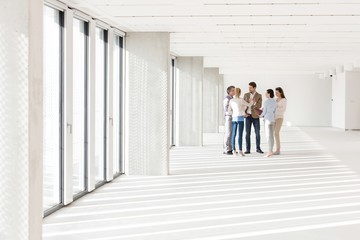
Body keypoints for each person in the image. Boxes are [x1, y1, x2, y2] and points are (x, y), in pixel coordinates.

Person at [228, 88, 254, 156]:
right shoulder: (241, 100)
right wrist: (251, 101)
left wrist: (234, 113)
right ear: (239, 93)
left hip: (234, 118)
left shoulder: (231, 100)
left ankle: (234, 150)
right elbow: (249, 105)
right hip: (240, 119)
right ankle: (240, 150)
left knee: (233, 135)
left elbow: (229, 111)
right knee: (240, 135)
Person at [244, 82, 264, 154]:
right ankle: (247, 149)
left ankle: (258, 148)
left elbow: (259, 105)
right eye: (249, 87)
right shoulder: (246, 95)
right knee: (247, 133)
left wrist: (254, 103)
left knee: (257, 133)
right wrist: (248, 103)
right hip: (248, 116)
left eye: (250, 87)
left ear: (254, 88)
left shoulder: (259, 95)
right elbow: (243, 105)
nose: (249, 88)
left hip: (255, 116)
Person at [260, 89, 277, 157]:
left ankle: (269, 152)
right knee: (272, 136)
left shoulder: (266, 102)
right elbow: (274, 111)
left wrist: (260, 115)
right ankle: (271, 151)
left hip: (267, 120)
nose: (265, 94)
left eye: (266, 93)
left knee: (268, 136)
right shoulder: (275, 102)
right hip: (272, 119)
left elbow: (264, 112)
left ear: (269, 94)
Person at [274, 87, 287, 155]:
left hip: (279, 118)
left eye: (277, 92)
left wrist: (276, 108)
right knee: (274, 133)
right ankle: (275, 148)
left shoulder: (284, 100)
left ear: (280, 92)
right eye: (275, 92)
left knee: (276, 133)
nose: (275, 93)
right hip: (274, 118)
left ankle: (278, 150)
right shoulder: (275, 99)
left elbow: (283, 109)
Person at [223, 86, 235, 155]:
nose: (234, 92)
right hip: (228, 117)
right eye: (233, 90)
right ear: (229, 91)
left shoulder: (232, 99)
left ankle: (229, 148)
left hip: (232, 117)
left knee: (230, 133)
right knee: (228, 133)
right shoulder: (227, 99)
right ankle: (227, 149)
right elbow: (226, 110)